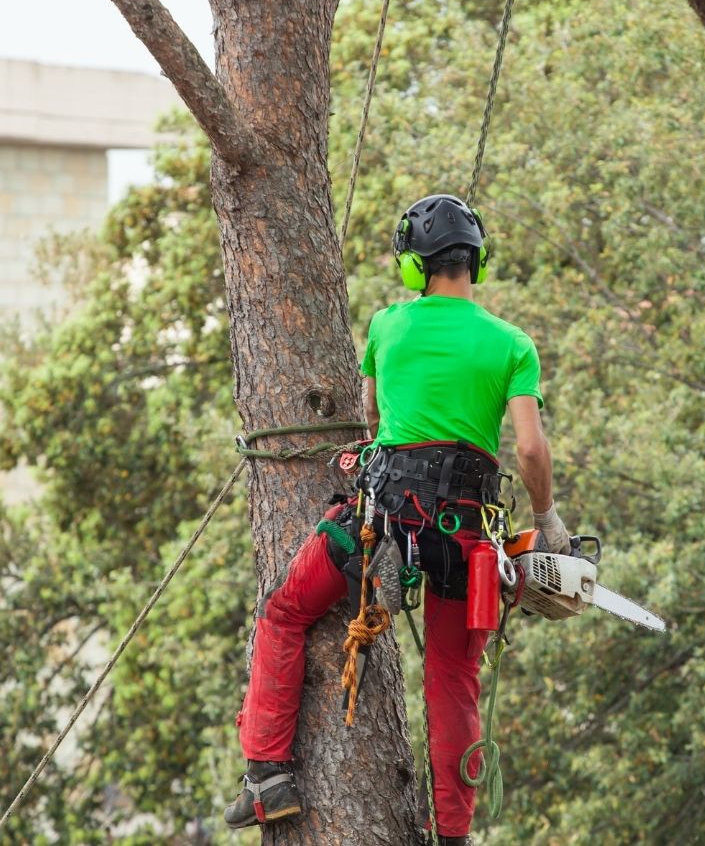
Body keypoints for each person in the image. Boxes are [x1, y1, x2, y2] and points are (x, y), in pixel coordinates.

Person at [224, 193, 572, 844]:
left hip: (378, 516)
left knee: (286, 611)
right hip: (464, 534)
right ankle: (454, 836)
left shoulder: (387, 326)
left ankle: (268, 775)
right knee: (451, 677)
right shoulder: (511, 345)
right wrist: (547, 519)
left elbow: (374, 424)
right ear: (478, 263)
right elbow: (527, 447)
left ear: (413, 267)